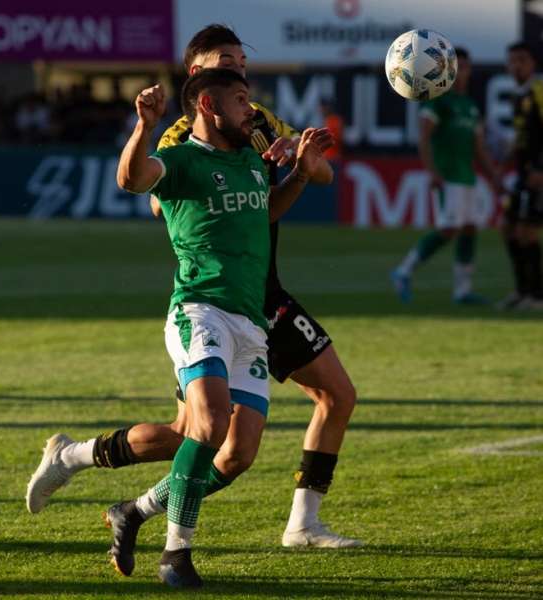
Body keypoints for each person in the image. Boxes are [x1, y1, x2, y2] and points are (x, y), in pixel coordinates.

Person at [26, 24, 360, 573]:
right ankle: (165, 538)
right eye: (226, 64)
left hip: (259, 300)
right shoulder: (181, 138)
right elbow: (153, 194)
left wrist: (297, 163)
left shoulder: (253, 126)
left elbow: (304, 181)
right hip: (207, 301)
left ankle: (129, 503)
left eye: (242, 64)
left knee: (233, 447)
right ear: (199, 79)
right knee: (200, 431)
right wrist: (167, 153)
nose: (242, 76)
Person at [129, 68, 329, 586]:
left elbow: (264, 214)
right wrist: (143, 127)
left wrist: (301, 174)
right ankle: (176, 554)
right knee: (209, 422)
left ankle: (133, 511)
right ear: (210, 107)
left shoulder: (250, 160)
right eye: (241, 100)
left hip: (249, 321)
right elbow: (131, 180)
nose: (251, 109)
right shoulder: (181, 160)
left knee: (238, 453)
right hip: (199, 310)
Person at [391, 48, 502, 304]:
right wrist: (432, 171)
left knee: (470, 228)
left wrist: (494, 177)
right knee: (449, 228)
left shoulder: (470, 107)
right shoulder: (439, 100)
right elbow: (424, 137)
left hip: (467, 177)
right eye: (456, 66)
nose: (461, 71)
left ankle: (462, 291)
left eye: (464, 66)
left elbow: (479, 149)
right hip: (447, 175)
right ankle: (403, 271)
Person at [497, 42, 543, 310]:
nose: (516, 66)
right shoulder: (518, 95)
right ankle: (522, 290)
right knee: (508, 229)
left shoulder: (539, 91)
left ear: (533, 64)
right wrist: (504, 164)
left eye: (522, 60)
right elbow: (523, 137)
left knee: (527, 232)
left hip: (536, 174)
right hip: (522, 173)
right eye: (512, 61)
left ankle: (537, 295)